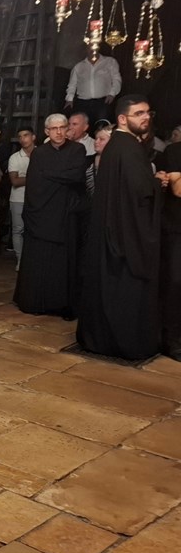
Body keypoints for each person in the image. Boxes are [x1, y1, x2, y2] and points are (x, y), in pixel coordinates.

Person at [78, 95, 162, 360]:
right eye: (139, 113)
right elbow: (140, 192)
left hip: (112, 228)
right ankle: (126, 341)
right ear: (123, 119)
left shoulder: (117, 145)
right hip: (125, 233)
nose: (146, 117)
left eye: (148, 112)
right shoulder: (128, 148)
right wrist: (158, 183)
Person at [14, 114, 88, 320]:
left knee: (64, 263)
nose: (59, 132)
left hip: (66, 215)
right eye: (54, 129)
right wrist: (60, 176)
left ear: (67, 129)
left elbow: (77, 176)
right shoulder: (39, 153)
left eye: (62, 127)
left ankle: (63, 305)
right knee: (40, 261)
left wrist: (49, 174)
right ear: (47, 131)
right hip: (42, 214)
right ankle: (37, 302)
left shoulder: (77, 149)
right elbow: (35, 183)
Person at [159, 140, 181, 360]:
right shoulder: (175, 151)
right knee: (175, 283)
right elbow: (178, 189)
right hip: (176, 230)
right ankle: (170, 340)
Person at [65, 51, 121, 126]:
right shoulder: (79, 66)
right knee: (83, 126)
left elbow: (116, 79)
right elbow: (72, 84)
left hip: (103, 102)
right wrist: (69, 99)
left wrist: (112, 93)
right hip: (83, 103)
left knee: (102, 125)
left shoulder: (110, 62)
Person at [7, 126, 35, 269]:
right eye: (20, 136)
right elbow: (15, 181)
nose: (23, 139)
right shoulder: (14, 157)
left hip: (37, 198)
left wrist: (25, 177)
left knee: (34, 230)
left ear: (33, 137)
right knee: (18, 229)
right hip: (18, 198)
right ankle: (20, 260)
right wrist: (36, 177)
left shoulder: (42, 154)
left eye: (26, 135)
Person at [86, 126, 113, 197]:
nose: (96, 142)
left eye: (101, 139)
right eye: (96, 139)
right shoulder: (87, 161)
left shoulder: (116, 163)